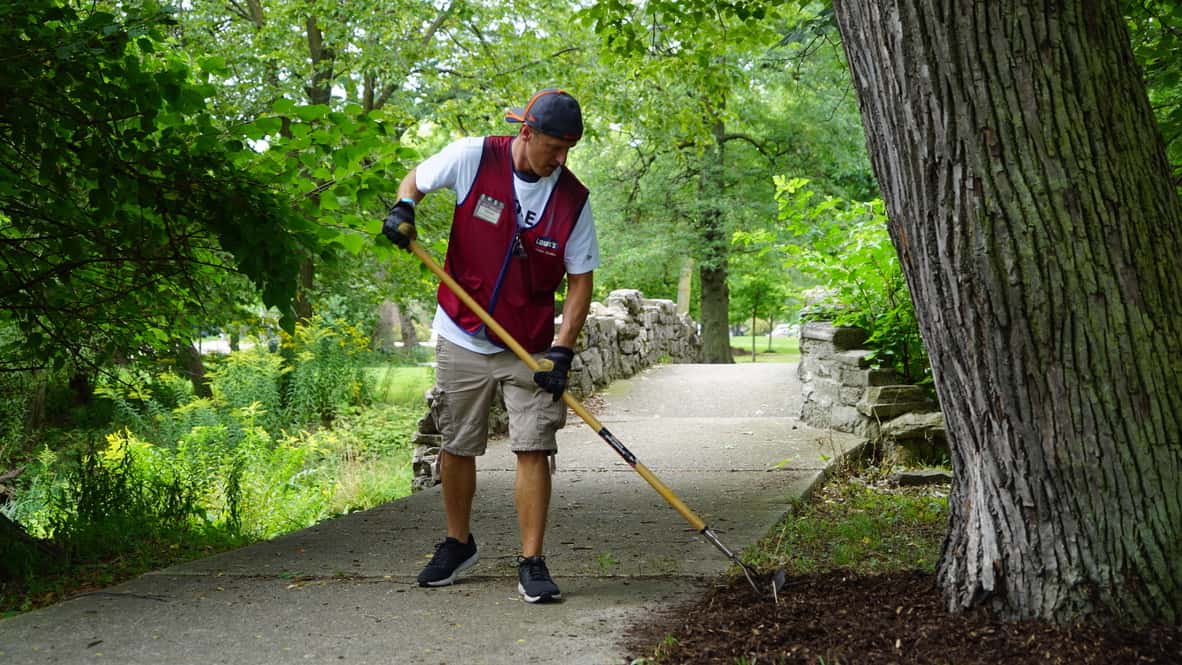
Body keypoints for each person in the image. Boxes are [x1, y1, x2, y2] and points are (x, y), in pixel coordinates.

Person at [381, 89, 598, 603]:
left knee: (534, 445)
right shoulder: (474, 157)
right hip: (461, 332)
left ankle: (532, 561)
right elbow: (416, 179)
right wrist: (403, 207)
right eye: (554, 147)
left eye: (569, 149)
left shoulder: (572, 200)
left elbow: (581, 280)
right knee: (457, 443)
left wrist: (562, 349)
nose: (560, 159)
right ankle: (458, 544)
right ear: (526, 133)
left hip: (528, 342)